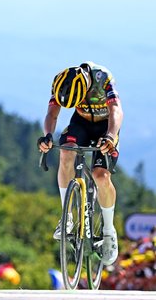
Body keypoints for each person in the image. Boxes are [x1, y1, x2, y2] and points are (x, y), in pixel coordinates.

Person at [37, 61, 123, 266]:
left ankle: (109, 231)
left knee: (101, 176)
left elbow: (116, 110)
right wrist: (47, 136)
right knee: (66, 153)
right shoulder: (61, 82)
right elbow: (52, 113)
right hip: (81, 123)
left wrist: (111, 135)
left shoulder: (102, 77)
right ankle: (66, 217)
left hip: (106, 126)